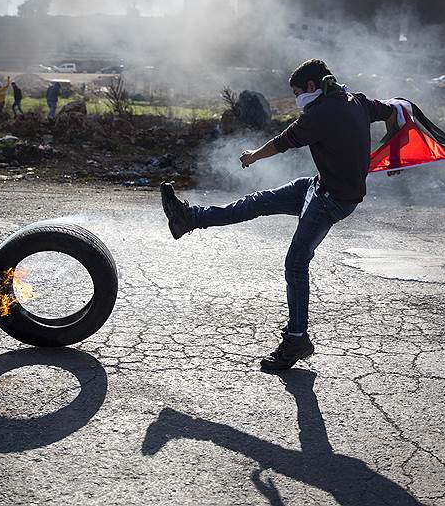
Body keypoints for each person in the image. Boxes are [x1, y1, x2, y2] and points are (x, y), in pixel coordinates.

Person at [160, 59, 397, 371]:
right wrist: (393, 155)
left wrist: (252, 157)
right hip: (320, 186)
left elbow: (283, 142)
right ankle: (190, 218)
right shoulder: (356, 101)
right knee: (257, 202)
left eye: (298, 92)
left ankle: (297, 339)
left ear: (312, 87)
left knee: (296, 264)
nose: (298, 99)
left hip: (331, 200)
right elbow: (395, 111)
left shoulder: (323, 113)